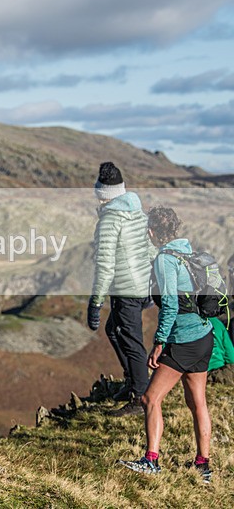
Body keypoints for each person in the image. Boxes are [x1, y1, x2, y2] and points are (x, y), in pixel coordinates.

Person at [119, 207, 214, 483]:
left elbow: (170, 303)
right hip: (204, 336)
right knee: (197, 401)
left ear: (151, 232)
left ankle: (151, 460)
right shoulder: (188, 251)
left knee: (150, 398)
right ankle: (203, 466)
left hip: (182, 341)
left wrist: (159, 342)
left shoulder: (165, 260)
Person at [87, 162, 155, 415]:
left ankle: (139, 396)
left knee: (131, 339)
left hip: (126, 289)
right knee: (114, 330)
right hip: (139, 286)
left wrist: (95, 303)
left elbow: (105, 266)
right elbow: (149, 248)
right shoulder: (138, 212)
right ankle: (133, 382)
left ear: (102, 194)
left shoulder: (109, 222)